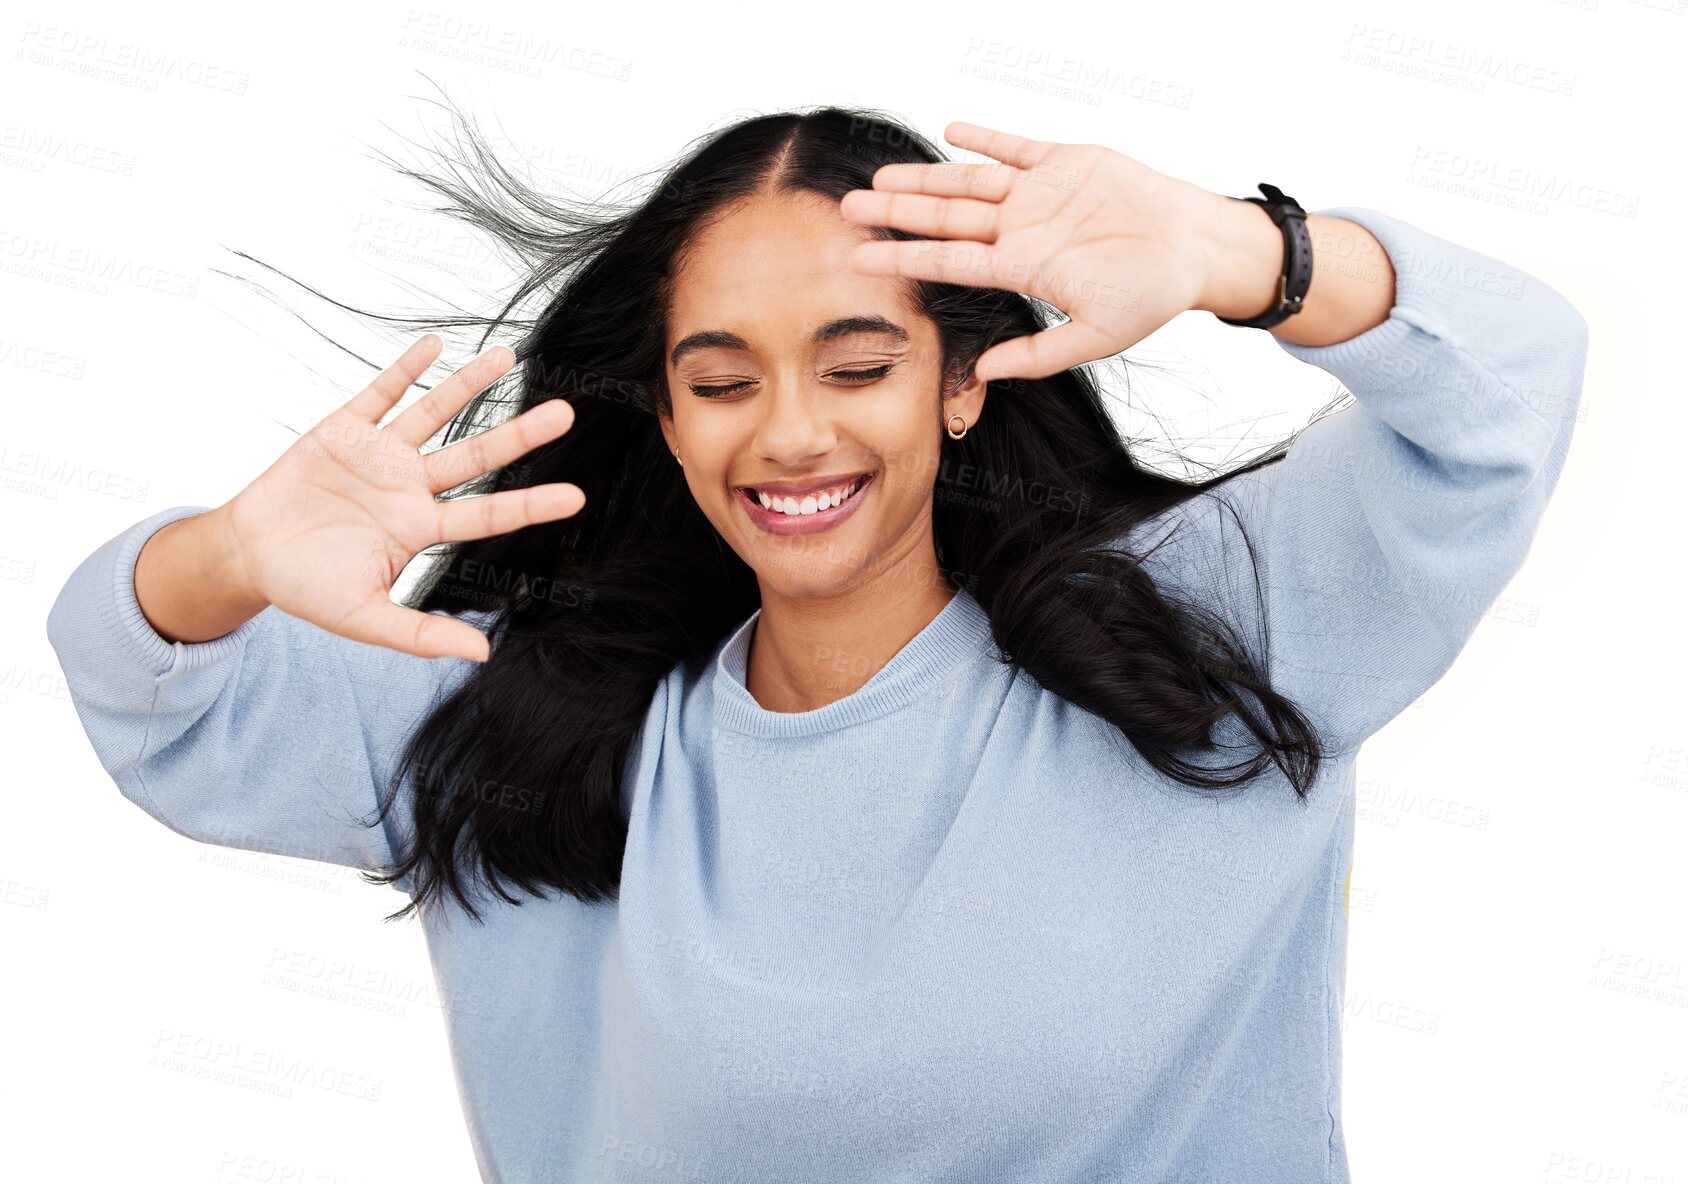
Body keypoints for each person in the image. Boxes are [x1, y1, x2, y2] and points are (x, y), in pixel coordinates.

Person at [46, 109, 1588, 1183]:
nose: (790, 433)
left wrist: (1238, 251)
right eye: (722, 383)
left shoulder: (1202, 634)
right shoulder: (539, 725)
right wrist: (231, 556)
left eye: (857, 365)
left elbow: (1511, 385)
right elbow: (154, 690)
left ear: (962, 383)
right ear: (668, 410)